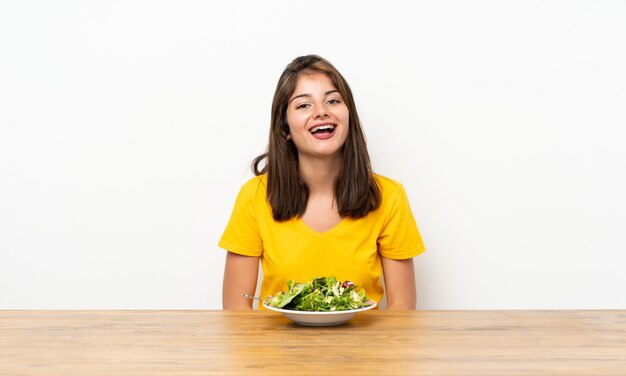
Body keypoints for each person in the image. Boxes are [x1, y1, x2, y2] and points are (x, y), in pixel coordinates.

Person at [219, 55, 425, 310]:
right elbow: (237, 312)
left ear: (349, 116)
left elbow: (402, 311)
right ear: (284, 128)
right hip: (275, 349)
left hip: (365, 349)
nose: (321, 111)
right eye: (304, 105)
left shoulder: (389, 196)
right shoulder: (254, 196)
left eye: (332, 100)